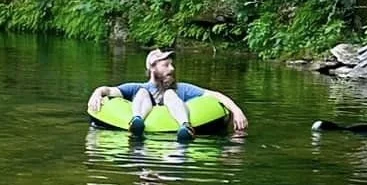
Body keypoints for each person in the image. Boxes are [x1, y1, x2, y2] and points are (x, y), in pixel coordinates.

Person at [88, 48, 249, 140]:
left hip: (174, 122)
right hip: (144, 120)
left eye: (172, 65)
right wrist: (97, 92)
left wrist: (236, 110)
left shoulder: (181, 88)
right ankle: (137, 121)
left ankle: (185, 127)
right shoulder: (138, 87)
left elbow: (214, 95)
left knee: (170, 94)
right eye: (166, 65)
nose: (172, 69)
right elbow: (109, 90)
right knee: (142, 92)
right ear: (152, 68)